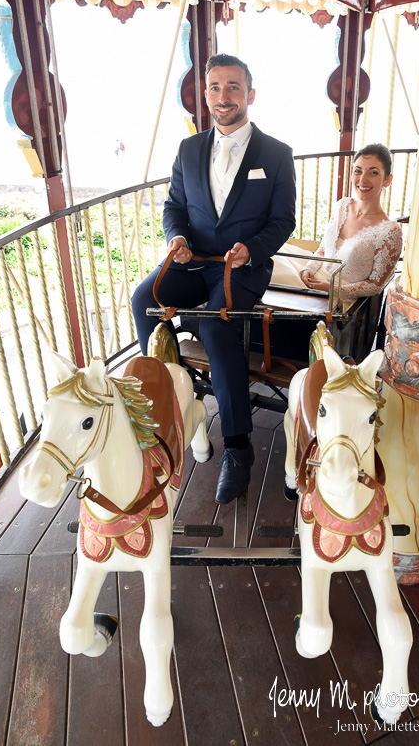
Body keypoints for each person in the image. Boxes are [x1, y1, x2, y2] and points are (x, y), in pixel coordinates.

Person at [131, 54, 296, 505]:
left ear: (250, 94)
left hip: (241, 267)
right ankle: (174, 399)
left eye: (233, 87)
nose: (224, 97)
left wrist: (253, 250)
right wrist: (176, 236)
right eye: (215, 88)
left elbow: (283, 220)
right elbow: (173, 207)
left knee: (215, 322)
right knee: (144, 296)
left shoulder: (277, 154)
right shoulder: (188, 149)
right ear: (205, 94)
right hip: (193, 260)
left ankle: (238, 447)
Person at [271, 144, 402, 311]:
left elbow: (376, 285)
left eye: (373, 172)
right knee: (271, 260)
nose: (363, 179)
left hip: (342, 296)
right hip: (314, 276)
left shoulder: (390, 232)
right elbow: (324, 249)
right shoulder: (342, 205)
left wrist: (330, 288)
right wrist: (308, 269)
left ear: (387, 179)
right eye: (358, 170)